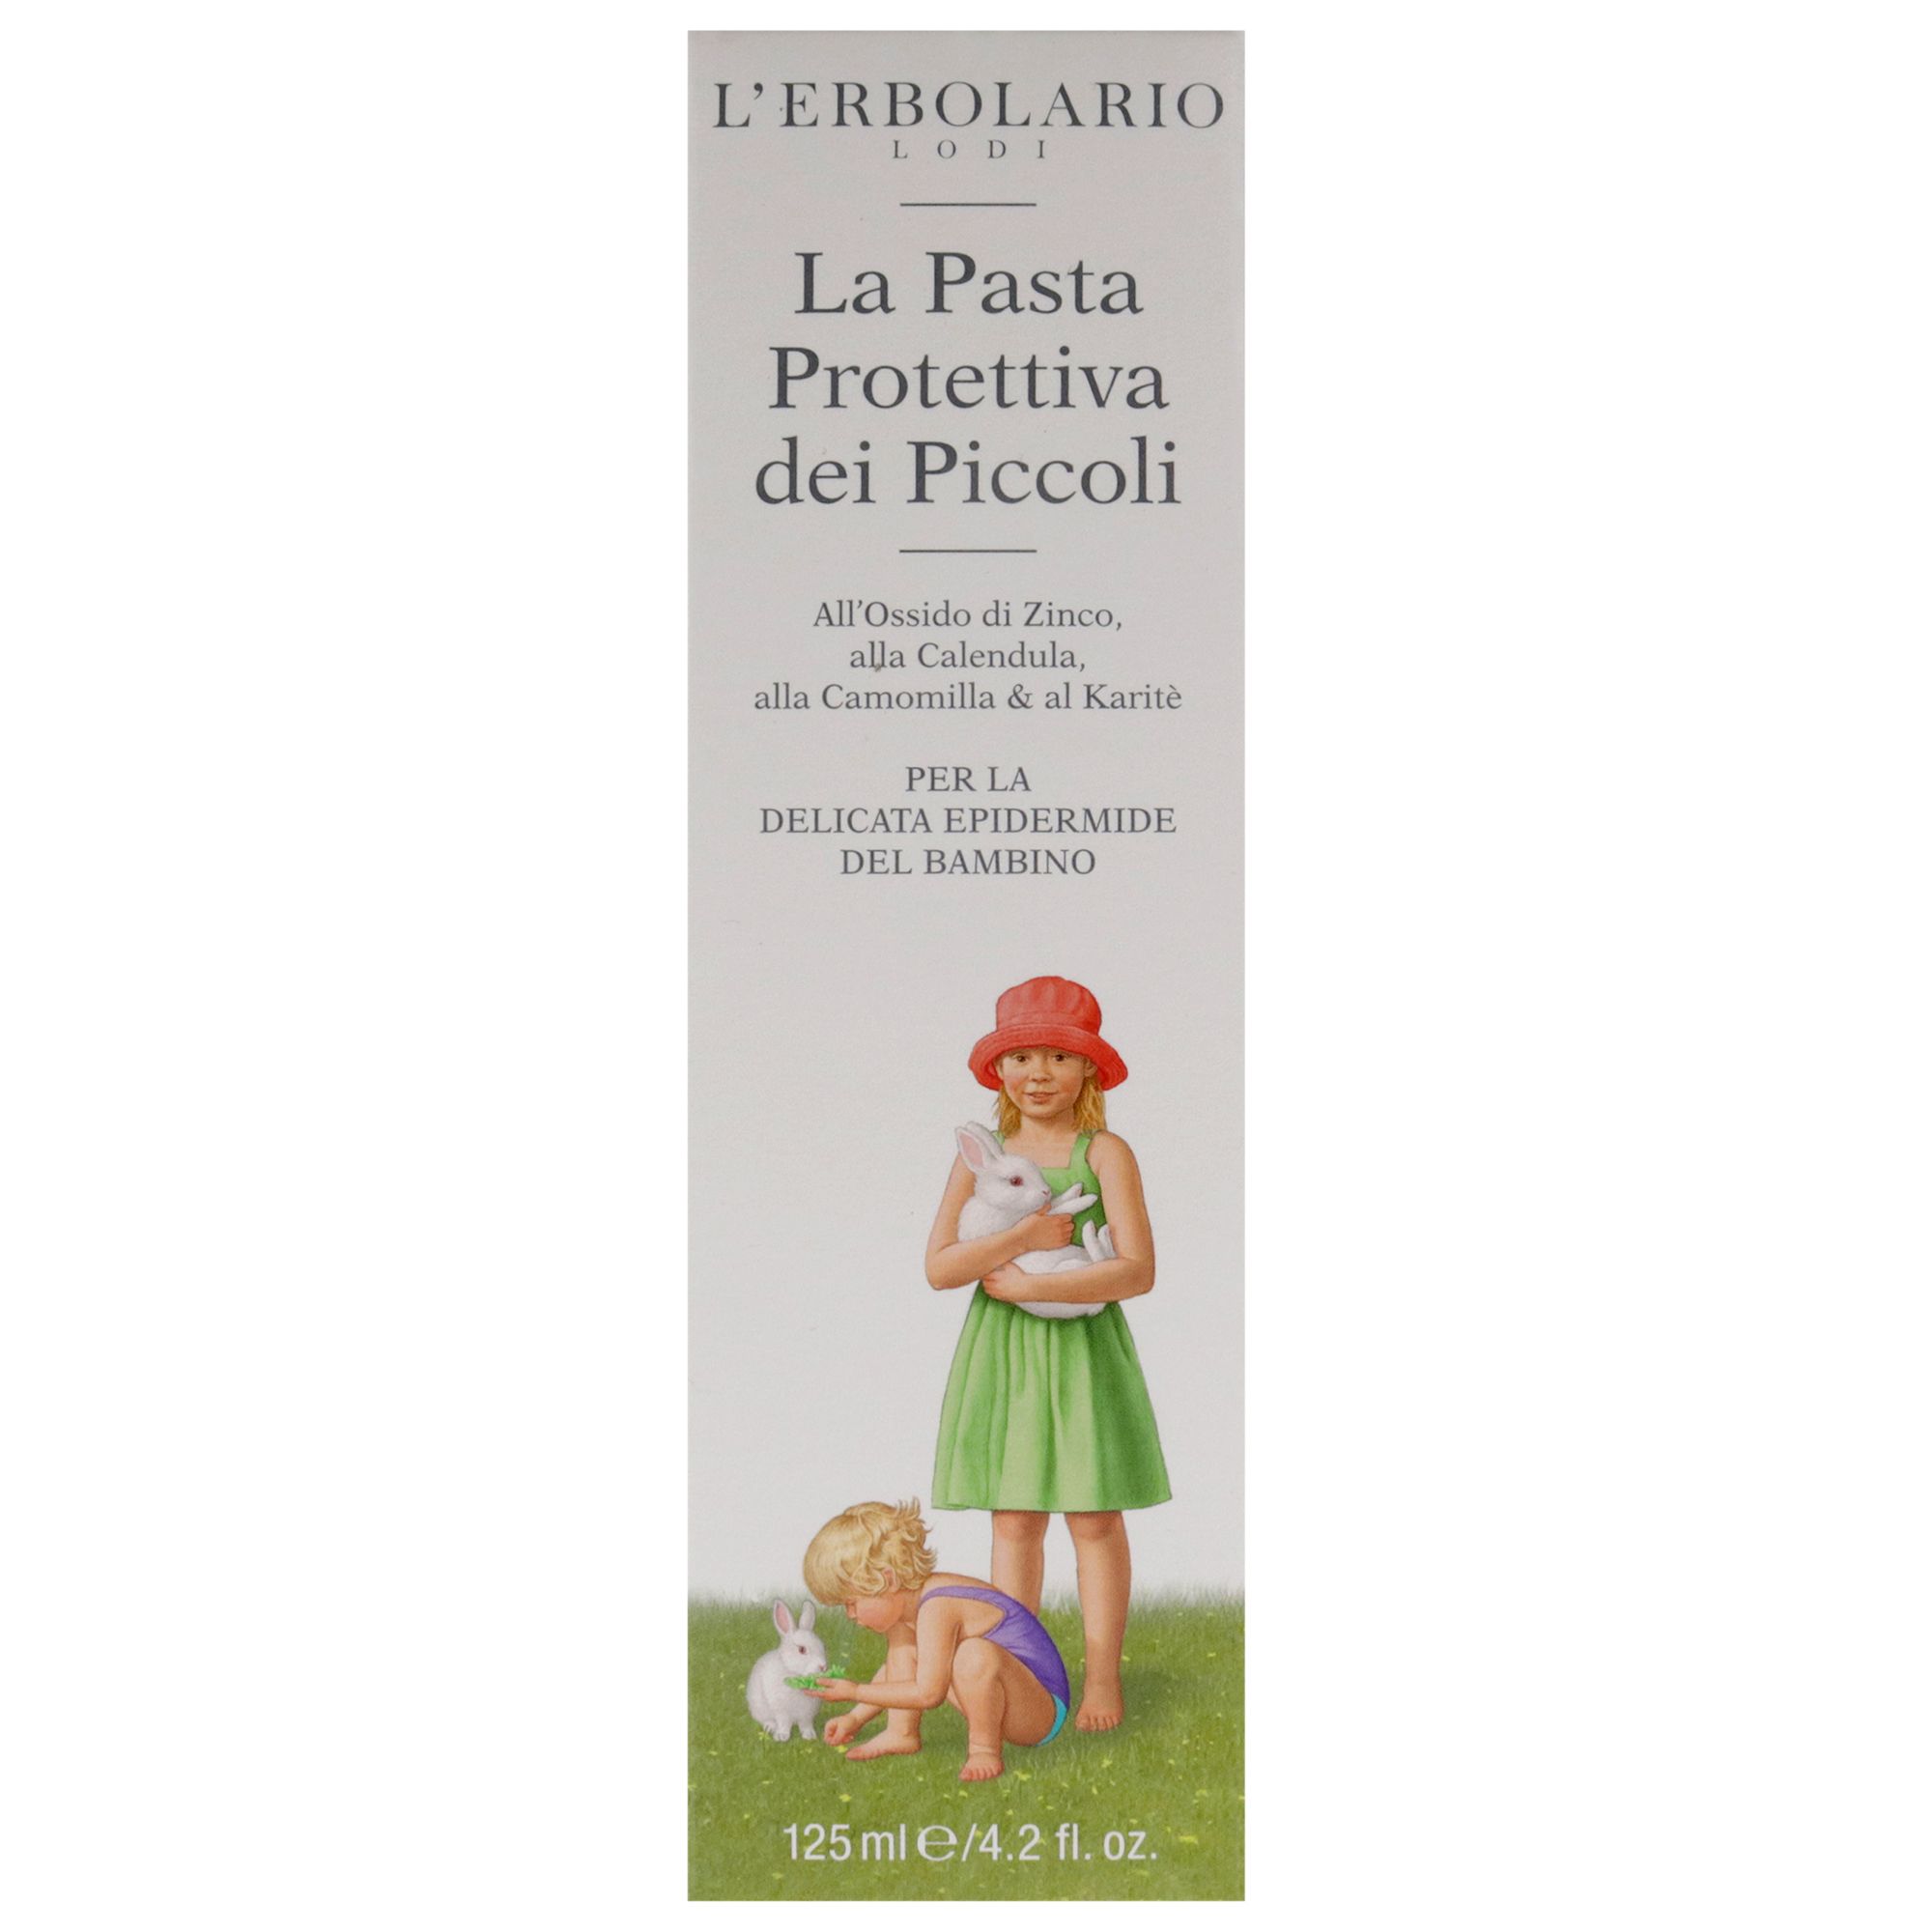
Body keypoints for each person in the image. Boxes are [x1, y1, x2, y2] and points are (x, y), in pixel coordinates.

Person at [925, 976, 1169, 1731]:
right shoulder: (983, 1158)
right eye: (1023, 1057)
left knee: (1093, 1518)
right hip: (1006, 1354)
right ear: (999, 1070)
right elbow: (941, 1266)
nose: (1039, 1074)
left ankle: (1102, 1680)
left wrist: (1037, 1283)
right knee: (1015, 1519)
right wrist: (1022, 1239)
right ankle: (1020, 1675)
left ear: (1088, 1068)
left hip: (1083, 1353)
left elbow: (1137, 1270)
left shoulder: (1105, 1152)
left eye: (1059, 1058)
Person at [801, 1499, 1069, 1782]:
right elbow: (898, 1672)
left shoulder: (937, 1605)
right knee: (906, 1652)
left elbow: (928, 1693)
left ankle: (983, 1749)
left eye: (852, 1603)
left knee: (973, 1654)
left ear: (888, 1580)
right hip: (1001, 1700)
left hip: (1039, 1711)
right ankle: (901, 1733)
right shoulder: (905, 1611)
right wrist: (855, 1718)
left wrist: (855, 1691)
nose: (850, 1615)